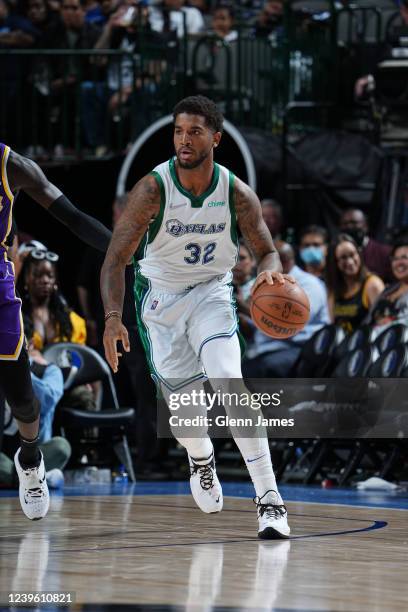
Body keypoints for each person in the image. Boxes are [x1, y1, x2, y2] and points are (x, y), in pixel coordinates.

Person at [101, 95, 294, 539]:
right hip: (160, 303)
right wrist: (114, 317)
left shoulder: (236, 193)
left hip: (212, 293)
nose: (184, 140)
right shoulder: (153, 189)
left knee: (230, 380)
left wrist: (269, 278)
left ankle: (270, 500)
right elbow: (115, 259)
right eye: (178, 131)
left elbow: (266, 252)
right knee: (188, 425)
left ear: (216, 138)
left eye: (195, 131)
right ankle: (201, 458)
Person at [0, 143, 111, 520]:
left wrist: (121, 250)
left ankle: (30, 458)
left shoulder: (11, 165)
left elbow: (74, 219)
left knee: (23, 400)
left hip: (0, 295)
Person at [243, 241, 331, 377]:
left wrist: (246, 308)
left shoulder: (310, 284)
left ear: (282, 262)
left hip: (299, 348)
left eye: (266, 261)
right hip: (266, 348)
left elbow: (289, 323)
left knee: (261, 369)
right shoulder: (266, 283)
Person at [326, 234, 385, 334]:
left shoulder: (372, 284)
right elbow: (332, 325)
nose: (350, 262)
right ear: (334, 262)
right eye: (343, 258)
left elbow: (383, 325)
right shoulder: (333, 289)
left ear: (359, 254)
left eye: (353, 254)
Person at [365, 237, 408, 330]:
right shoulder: (388, 290)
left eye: (404, 258)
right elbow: (368, 320)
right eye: (395, 259)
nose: (398, 263)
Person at [339, 208, 392, 282]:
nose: (349, 227)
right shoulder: (337, 253)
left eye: (353, 223)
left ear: (365, 226)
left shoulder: (384, 252)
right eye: (345, 224)